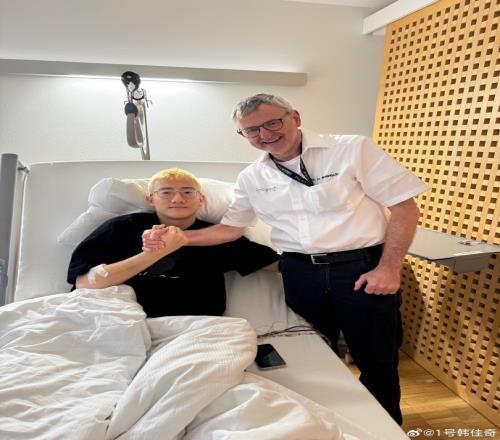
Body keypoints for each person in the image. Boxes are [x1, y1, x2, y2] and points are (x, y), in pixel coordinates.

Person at [143, 94, 427, 424]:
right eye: (251, 130)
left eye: (272, 123)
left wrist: (389, 269)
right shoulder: (252, 177)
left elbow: (405, 208)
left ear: (295, 117)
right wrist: (178, 239)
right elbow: (231, 229)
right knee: (314, 357)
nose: (264, 135)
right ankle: (332, 425)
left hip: (360, 268)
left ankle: (387, 427)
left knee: (376, 357)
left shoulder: (351, 149)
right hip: (299, 273)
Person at [67, 167, 279, 318]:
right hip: (118, 318)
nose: (177, 199)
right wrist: (157, 252)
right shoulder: (122, 229)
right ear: (150, 199)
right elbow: (85, 283)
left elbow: (280, 265)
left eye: (187, 192)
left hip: (195, 327)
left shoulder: (217, 236)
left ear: (201, 199)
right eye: (166, 192)